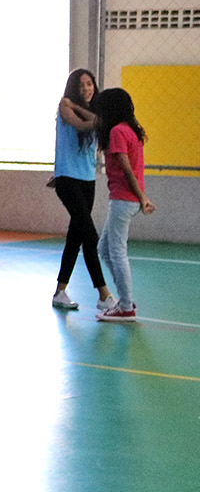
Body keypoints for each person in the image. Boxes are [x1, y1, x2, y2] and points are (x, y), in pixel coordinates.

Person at [50, 68, 114, 314]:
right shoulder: (65, 106)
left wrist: (82, 107)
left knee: (75, 237)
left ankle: (60, 292)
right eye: (81, 85)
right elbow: (80, 124)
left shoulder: (87, 108)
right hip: (68, 179)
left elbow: (100, 122)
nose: (86, 89)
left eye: (89, 84)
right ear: (72, 89)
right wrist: (77, 107)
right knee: (90, 236)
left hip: (88, 180)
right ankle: (104, 294)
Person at [95, 88, 155, 323]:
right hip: (125, 198)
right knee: (104, 249)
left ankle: (126, 306)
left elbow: (127, 168)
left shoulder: (118, 131)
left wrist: (142, 197)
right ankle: (124, 299)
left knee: (117, 252)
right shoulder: (130, 130)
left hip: (124, 199)